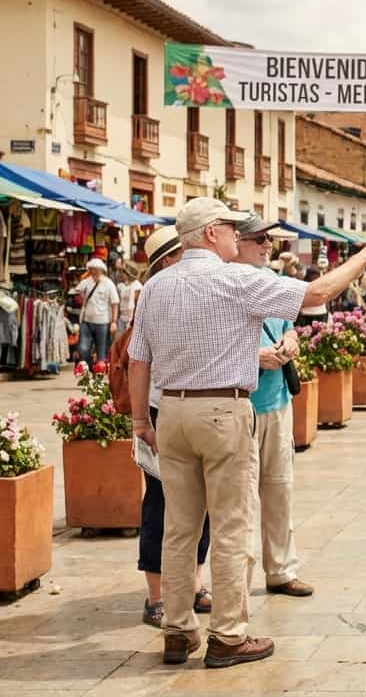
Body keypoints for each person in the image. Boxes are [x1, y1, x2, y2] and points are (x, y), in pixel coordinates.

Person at [128, 197, 366, 669]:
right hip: (223, 410)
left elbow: (138, 360)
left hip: (170, 411)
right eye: (230, 227)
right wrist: (365, 257)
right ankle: (228, 636)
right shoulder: (238, 279)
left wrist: (140, 422)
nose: (237, 234)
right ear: (211, 233)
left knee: (179, 527)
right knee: (230, 526)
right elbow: (315, 295)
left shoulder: (155, 287)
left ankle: (177, 628)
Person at [120, 227, 212, 629]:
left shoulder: (188, 289)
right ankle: (155, 595)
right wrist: (141, 421)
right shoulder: (157, 295)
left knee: (202, 502)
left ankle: (192, 583)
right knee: (160, 502)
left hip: (186, 407)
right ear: (169, 259)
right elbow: (140, 361)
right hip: (163, 408)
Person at [232, 215, 313, 599]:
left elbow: (288, 324)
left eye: (271, 240)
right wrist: (255, 355)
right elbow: (215, 346)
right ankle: (239, 585)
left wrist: (291, 340)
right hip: (241, 405)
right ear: (237, 242)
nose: (269, 246)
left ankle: (281, 569)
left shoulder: (275, 285)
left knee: (280, 488)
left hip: (277, 400)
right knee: (243, 498)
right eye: (260, 239)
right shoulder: (227, 286)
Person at [76, 257, 119, 364]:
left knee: (102, 351)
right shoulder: (86, 282)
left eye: (95, 269)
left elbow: (115, 303)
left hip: (103, 322)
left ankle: (100, 373)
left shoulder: (108, 283)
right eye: (91, 269)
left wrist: (113, 322)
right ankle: (88, 369)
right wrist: (80, 295)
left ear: (101, 270)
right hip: (86, 321)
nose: (93, 271)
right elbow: (76, 293)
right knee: (83, 349)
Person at [116, 266, 143, 336]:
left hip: (131, 318)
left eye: (123, 273)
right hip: (122, 317)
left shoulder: (137, 286)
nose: (122, 274)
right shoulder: (123, 285)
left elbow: (138, 303)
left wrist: (134, 318)